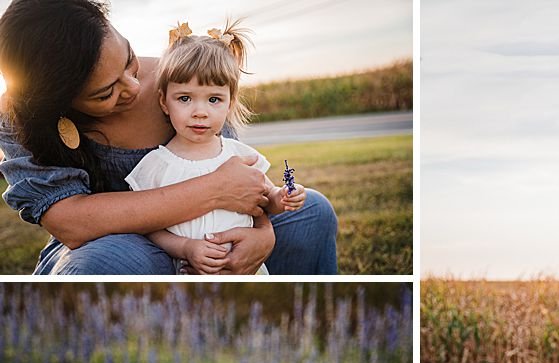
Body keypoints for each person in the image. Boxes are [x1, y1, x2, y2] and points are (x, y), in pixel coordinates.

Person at [0, 0, 336, 275]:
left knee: (313, 212)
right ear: (56, 100)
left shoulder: (180, 81)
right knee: (101, 265)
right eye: (105, 93)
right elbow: (71, 223)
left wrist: (264, 233)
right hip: (112, 245)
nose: (133, 87)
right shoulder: (19, 117)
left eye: (129, 61)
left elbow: (239, 179)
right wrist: (214, 191)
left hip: (210, 230)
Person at [124, 21, 306, 275]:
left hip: (246, 271)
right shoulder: (157, 165)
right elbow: (148, 227)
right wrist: (186, 247)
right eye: (185, 98)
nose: (200, 112)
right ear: (164, 102)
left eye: (214, 100)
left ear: (230, 103)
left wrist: (282, 196)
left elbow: (266, 199)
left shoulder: (239, 156)